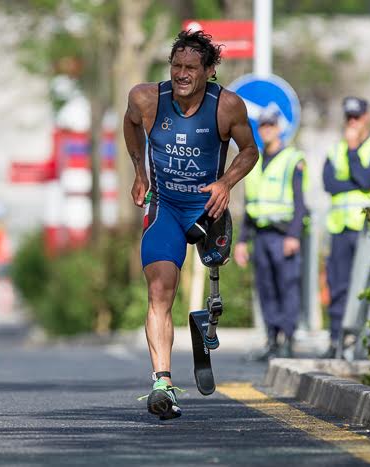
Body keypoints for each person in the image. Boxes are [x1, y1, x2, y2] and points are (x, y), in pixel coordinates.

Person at [123, 30, 258, 420]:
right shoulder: (146, 98)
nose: (181, 74)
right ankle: (161, 383)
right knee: (161, 290)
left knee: (213, 280)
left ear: (209, 71)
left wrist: (226, 182)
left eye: (191, 68)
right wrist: (139, 172)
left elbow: (250, 150)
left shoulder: (227, 106)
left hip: (206, 212)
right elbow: (131, 125)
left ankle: (207, 320)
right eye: (176, 66)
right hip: (165, 207)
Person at [321, 96, 370, 358]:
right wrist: (361, 183)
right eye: (348, 117)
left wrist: (353, 152)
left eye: (357, 117)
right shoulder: (335, 148)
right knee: (337, 286)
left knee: (366, 285)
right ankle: (335, 341)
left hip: (368, 230)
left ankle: (362, 343)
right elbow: (330, 184)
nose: (352, 122)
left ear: (367, 117)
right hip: (341, 228)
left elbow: (366, 176)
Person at [234, 107, 308, 360]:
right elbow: (249, 206)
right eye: (262, 126)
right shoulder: (254, 161)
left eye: (270, 126)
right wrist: (242, 241)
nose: (266, 130)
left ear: (278, 128)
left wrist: (293, 236)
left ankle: (287, 339)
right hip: (261, 236)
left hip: (283, 234)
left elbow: (300, 204)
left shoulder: (292, 159)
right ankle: (272, 339)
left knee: (287, 287)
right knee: (265, 288)